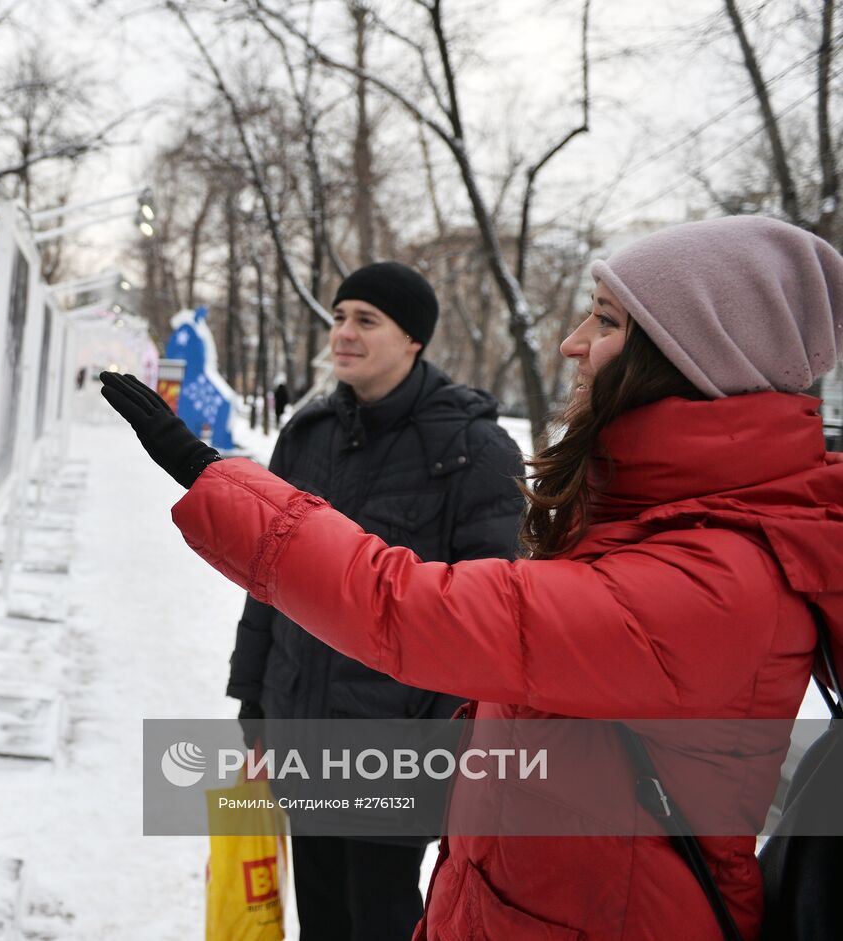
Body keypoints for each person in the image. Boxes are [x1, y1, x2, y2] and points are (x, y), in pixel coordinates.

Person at [101, 215, 843, 941]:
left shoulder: (710, 579)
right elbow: (280, 608)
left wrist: (215, 478)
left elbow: (434, 611)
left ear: (691, 357)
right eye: (340, 316)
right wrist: (256, 702)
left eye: (608, 322)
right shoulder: (642, 522)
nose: (572, 343)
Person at [229, 262, 524, 938]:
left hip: (400, 740)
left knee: (384, 917)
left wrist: (437, 727)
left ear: (414, 339)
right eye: (338, 317)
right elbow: (268, 578)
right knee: (323, 917)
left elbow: (493, 611)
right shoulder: (308, 434)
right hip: (302, 720)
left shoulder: (473, 449)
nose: (345, 333)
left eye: (367, 320)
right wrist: (254, 701)